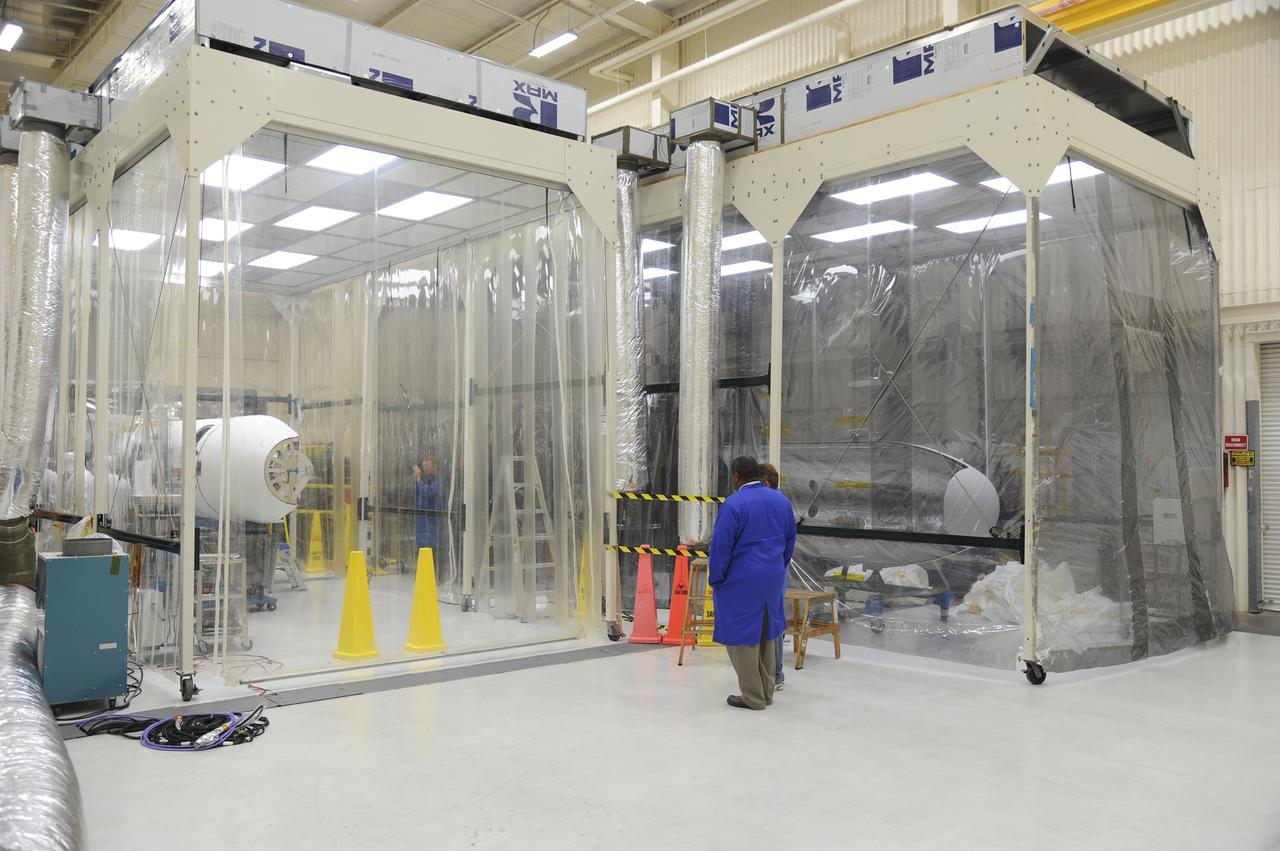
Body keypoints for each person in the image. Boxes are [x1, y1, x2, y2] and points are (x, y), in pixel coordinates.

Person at [709, 455, 796, 710]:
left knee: (742, 637)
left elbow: (721, 545)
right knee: (767, 633)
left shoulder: (734, 504)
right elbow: (790, 539)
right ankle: (767, 692)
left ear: (736, 476)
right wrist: (777, 566)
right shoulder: (781, 501)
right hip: (773, 577)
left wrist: (717, 577)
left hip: (741, 579)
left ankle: (753, 697)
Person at [759, 462, 788, 692]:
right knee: (774, 617)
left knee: (771, 619)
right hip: (778, 567)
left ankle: (775, 673)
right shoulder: (783, 503)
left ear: (766, 484)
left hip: (769, 568)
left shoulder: (769, 505)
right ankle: (774, 673)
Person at [413, 455, 442, 556]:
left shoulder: (440, 480)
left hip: (432, 526)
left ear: (435, 466)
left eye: (427, 466)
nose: (424, 469)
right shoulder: (425, 480)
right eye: (423, 466)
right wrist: (416, 479)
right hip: (422, 526)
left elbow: (429, 493)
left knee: (431, 555)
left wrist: (418, 479)